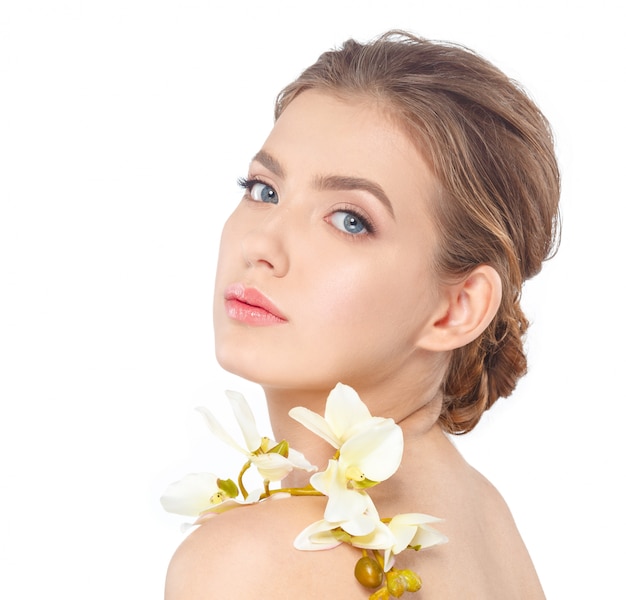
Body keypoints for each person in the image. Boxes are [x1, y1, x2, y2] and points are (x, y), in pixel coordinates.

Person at [164, 30, 560, 599]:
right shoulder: (482, 515)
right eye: (264, 189)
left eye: (350, 220)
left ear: (458, 308)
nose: (263, 246)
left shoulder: (250, 561)